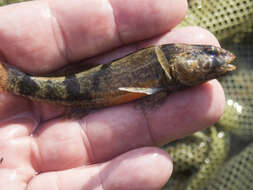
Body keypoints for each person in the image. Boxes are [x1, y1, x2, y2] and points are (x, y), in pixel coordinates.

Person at [0, 0, 225, 189]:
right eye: (208, 68)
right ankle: (13, 83)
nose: (210, 69)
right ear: (177, 63)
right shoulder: (167, 66)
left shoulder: (171, 64)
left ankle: (16, 83)